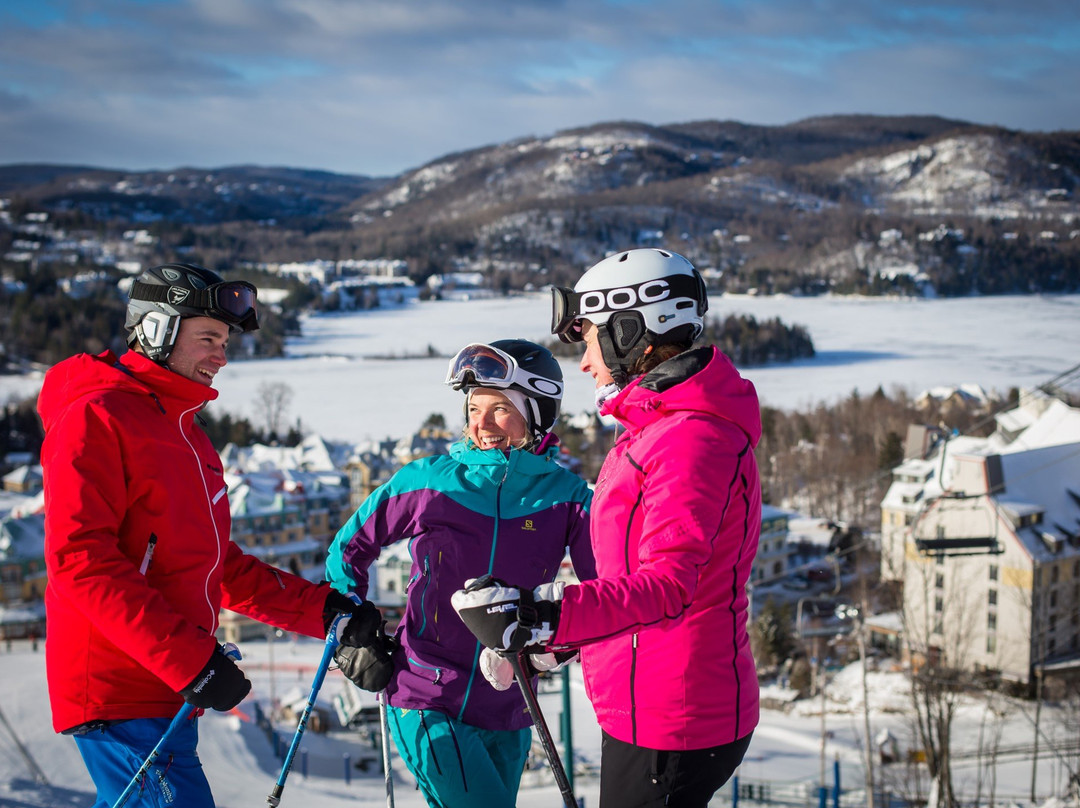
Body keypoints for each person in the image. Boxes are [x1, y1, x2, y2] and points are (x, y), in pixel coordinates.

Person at [38, 262, 380, 808]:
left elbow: (217, 565)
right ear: (156, 331)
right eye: (207, 339)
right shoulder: (96, 416)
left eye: (224, 342)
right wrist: (189, 660)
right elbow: (80, 560)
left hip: (164, 693)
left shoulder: (186, 434)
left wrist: (324, 612)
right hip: (119, 688)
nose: (221, 357)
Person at [453, 248, 762, 808]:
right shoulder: (656, 428)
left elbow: (668, 587)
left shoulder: (690, 439)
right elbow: (631, 585)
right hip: (646, 698)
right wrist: (556, 641)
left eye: (590, 339)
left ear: (632, 331)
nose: (585, 362)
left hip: (674, 713)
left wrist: (541, 615)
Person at [325, 339, 595, 808]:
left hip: (511, 700)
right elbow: (349, 549)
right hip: (424, 693)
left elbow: (604, 594)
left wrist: (555, 646)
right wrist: (353, 632)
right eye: (473, 408)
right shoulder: (429, 481)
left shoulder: (569, 499)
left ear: (538, 413)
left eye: (500, 409)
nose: (481, 424)